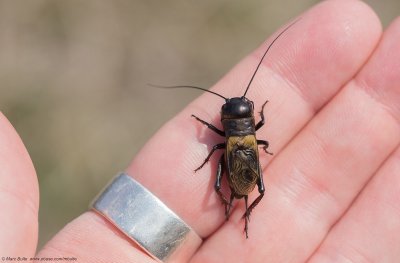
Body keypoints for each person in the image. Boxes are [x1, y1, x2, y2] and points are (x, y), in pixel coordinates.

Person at [1, 0, 400, 262]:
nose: (237, 115)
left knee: (227, 180)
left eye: (235, 113)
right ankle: (236, 210)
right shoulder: (246, 137)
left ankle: (231, 208)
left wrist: (224, 182)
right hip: (245, 163)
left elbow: (220, 149)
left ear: (230, 123)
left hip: (237, 165)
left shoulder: (226, 140)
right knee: (249, 187)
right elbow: (255, 135)